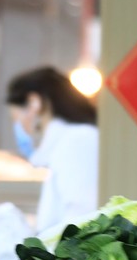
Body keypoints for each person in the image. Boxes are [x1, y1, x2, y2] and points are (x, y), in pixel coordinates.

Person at [7, 67, 100, 234]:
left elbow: (81, 216)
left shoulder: (78, 140)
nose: (19, 128)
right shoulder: (68, 142)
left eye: (16, 119)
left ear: (34, 103)